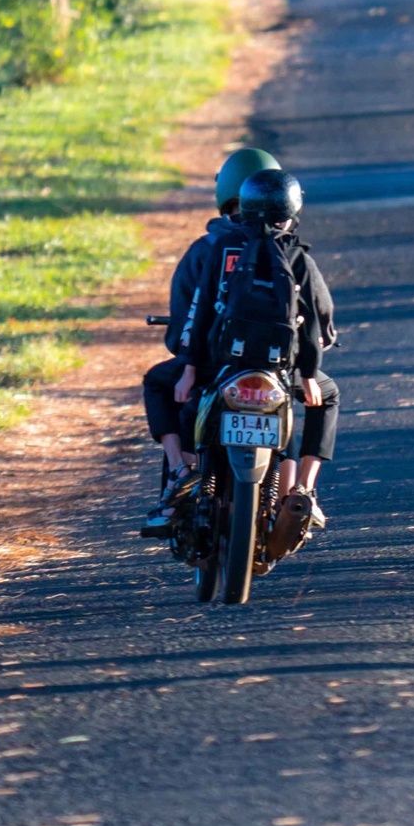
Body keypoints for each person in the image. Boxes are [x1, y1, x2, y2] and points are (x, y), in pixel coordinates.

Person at [174, 166, 339, 552]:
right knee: (327, 399)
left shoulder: (220, 251)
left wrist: (190, 369)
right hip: (280, 370)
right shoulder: (297, 256)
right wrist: (309, 374)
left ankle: (188, 478)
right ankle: (302, 489)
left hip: (225, 364)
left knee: (192, 409)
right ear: (293, 209)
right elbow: (314, 319)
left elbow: (200, 314)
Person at [138, 144, 279, 535]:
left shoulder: (207, 251)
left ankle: (178, 479)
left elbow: (188, 316)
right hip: (273, 366)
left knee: (161, 385)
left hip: (212, 364)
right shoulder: (286, 250)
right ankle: (292, 489)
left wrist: (188, 357)